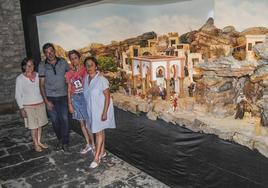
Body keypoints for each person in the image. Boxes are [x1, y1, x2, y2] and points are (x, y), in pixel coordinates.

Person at [83, 56, 116, 168]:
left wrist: (105, 112)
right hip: (91, 111)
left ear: (96, 66)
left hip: (101, 110)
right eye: (87, 65)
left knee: (98, 132)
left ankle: (96, 158)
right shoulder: (86, 79)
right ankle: (102, 152)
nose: (89, 67)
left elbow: (107, 97)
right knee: (99, 132)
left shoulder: (102, 80)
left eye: (91, 65)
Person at [38, 43, 70, 152]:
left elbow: (69, 78)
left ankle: (65, 142)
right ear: (44, 54)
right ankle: (60, 139)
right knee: (55, 121)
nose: (49, 54)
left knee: (65, 119)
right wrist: (46, 101)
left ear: (54, 51)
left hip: (63, 96)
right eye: (47, 52)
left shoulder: (63, 62)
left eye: (51, 51)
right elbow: (41, 85)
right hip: (50, 98)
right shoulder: (42, 65)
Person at [15, 58, 48, 152]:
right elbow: (18, 95)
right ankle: (35, 144)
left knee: (40, 125)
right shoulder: (20, 78)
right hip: (28, 106)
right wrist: (21, 108)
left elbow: (43, 87)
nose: (30, 67)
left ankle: (39, 141)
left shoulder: (38, 75)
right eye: (28, 65)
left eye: (32, 65)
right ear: (24, 66)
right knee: (33, 126)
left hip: (40, 104)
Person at [65, 50, 94, 154]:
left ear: (79, 58)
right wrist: (69, 103)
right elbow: (69, 89)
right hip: (75, 99)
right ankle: (88, 144)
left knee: (88, 124)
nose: (74, 60)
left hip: (85, 98)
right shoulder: (68, 74)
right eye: (71, 59)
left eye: (75, 58)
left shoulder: (85, 70)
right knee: (82, 123)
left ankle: (94, 145)